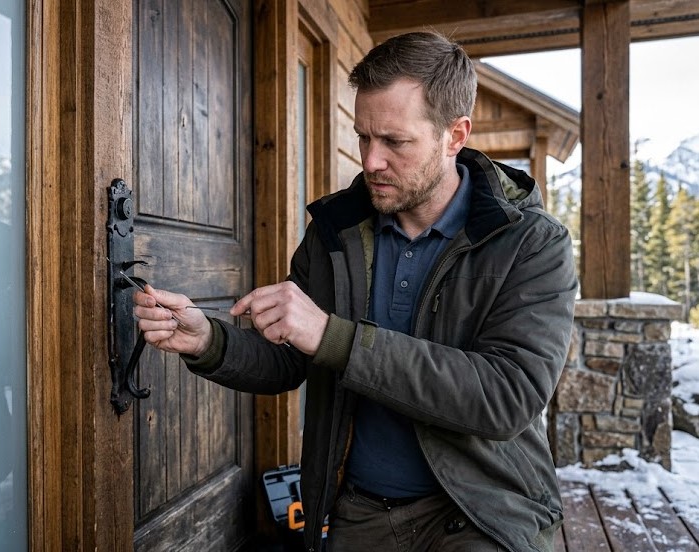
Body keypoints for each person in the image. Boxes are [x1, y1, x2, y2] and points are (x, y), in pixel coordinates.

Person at [133, 30, 577, 552]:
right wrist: (209, 340)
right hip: (357, 512)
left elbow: (506, 397)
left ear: (455, 135)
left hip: (481, 514)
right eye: (363, 137)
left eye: (395, 141)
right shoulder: (335, 229)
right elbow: (289, 359)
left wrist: (333, 336)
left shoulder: (531, 242)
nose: (370, 161)